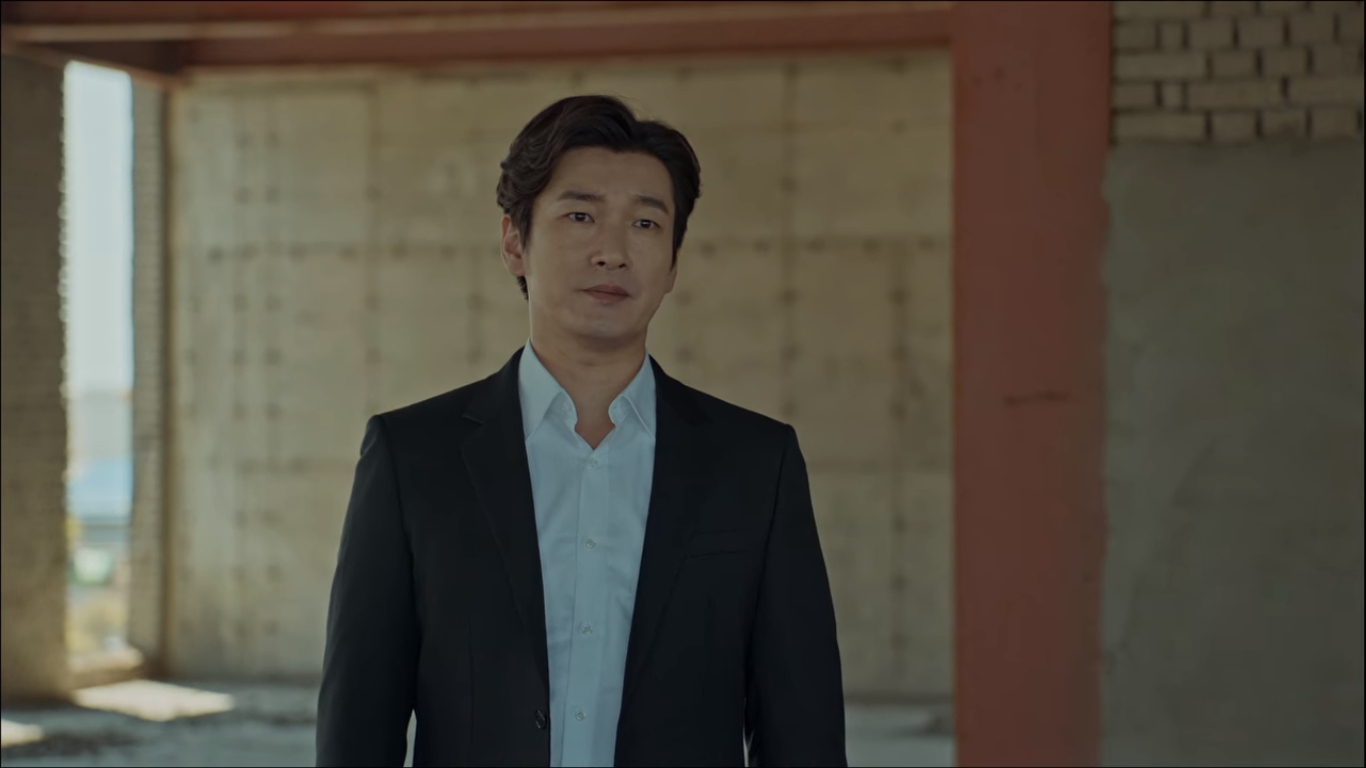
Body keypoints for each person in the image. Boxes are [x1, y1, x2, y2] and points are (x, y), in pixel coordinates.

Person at [316, 94, 845, 767]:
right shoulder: (412, 457)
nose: (612, 251)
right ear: (515, 242)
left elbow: (803, 727)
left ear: (673, 264)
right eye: (580, 215)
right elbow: (360, 720)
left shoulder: (756, 464)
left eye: (645, 224)